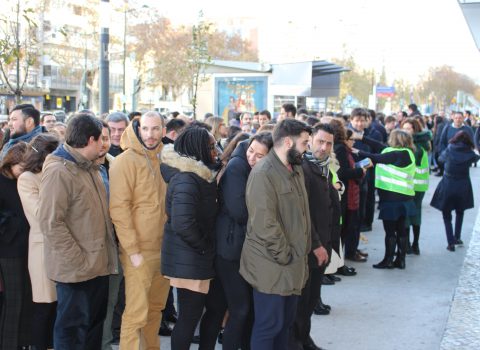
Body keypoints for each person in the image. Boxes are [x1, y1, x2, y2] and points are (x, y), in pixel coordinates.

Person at [38, 113, 118, 349]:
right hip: (76, 271)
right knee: (71, 332)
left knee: (93, 328)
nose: (105, 144)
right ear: (91, 140)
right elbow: (51, 223)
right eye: (101, 139)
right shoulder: (59, 171)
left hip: (98, 266)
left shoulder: (91, 167)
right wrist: (79, 261)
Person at [240, 119, 312, 350]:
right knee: (269, 325)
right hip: (272, 264)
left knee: (284, 325)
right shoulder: (263, 173)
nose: (306, 148)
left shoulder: (296, 168)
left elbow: (301, 213)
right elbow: (265, 223)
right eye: (304, 143)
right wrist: (286, 255)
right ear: (288, 142)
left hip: (292, 263)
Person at [200, 132, 273, 350]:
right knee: (239, 309)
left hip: (235, 248)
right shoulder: (237, 168)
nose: (253, 157)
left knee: (219, 306)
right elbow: (239, 211)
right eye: (252, 151)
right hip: (230, 250)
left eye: (260, 155)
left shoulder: (253, 170)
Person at [109, 111, 171, 349]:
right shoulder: (125, 162)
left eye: (155, 129)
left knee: (156, 309)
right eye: (145, 128)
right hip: (139, 252)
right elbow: (119, 209)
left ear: (163, 131)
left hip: (165, 249)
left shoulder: (168, 158)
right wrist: (132, 250)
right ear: (137, 129)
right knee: (136, 312)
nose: (150, 134)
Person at [160, 126, 220, 350]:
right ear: (198, 149)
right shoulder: (187, 179)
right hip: (190, 258)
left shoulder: (198, 175)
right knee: (188, 318)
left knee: (194, 315)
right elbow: (183, 223)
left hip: (193, 257)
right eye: (211, 147)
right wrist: (205, 247)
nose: (216, 151)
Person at [292, 123, 336, 350]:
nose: (324, 147)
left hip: (323, 245)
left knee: (311, 300)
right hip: (308, 247)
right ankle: (297, 341)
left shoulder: (323, 166)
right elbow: (304, 213)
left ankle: (304, 338)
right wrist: (317, 244)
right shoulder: (304, 168)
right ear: (310, 141)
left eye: (328, 143)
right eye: (320, 141)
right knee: (302, 300)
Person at [17, 134, 59, 350]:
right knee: (44, 306)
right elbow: (39, 215)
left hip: (63, 248)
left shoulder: (61, 174)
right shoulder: (27, 178)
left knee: (59, 308)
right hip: (42, 248)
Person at [353, 129, 416, 270]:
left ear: (395, 140)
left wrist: (354, 150)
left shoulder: (395, 154)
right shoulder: (407, 153)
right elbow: (378, 146)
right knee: (402, 230)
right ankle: (401, 259)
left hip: (391, 199)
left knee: (390, 231)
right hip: (405, 199)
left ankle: (388, 260)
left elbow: (374, 157)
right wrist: (361, 138)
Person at [0, 142, 32, 350]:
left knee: (24, 301)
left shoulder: (24, 180)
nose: (23, 174)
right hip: (9, 249)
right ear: (10, 164)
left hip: (24, 247)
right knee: (14, 301)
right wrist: (16, 225)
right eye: (20, 169)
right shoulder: (3, 182)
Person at [431, 131, 480, 251]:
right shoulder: (469, 153)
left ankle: (450, 242)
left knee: (446, 215)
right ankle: (457, 237)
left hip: (448, 183)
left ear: (455, 139)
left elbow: (440, 160)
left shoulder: (449, 149)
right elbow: (476, 158)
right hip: (463, 185)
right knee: (460, 211)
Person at [401, 118, 432, 255]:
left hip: (411, 186)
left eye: (409, 128)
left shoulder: (414, 148)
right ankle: (415, 245)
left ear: (415, 130)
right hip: (420, 187)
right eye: (404, 128)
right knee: (416, 214)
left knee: (408, 215)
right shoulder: (423, 144)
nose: (406, 131)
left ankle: (408, 244)